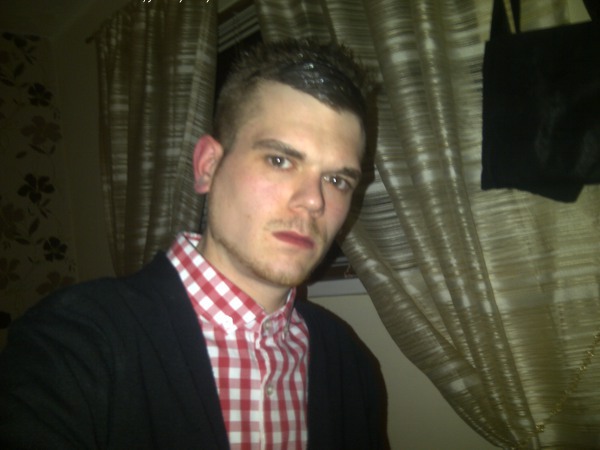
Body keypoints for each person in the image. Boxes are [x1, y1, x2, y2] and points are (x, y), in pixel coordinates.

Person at [0, 39, 386, 449]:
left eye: (337, 180)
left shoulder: (349, 359)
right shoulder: (72, 343)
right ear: (207, 167)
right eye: (280, 160)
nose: (313, 201)